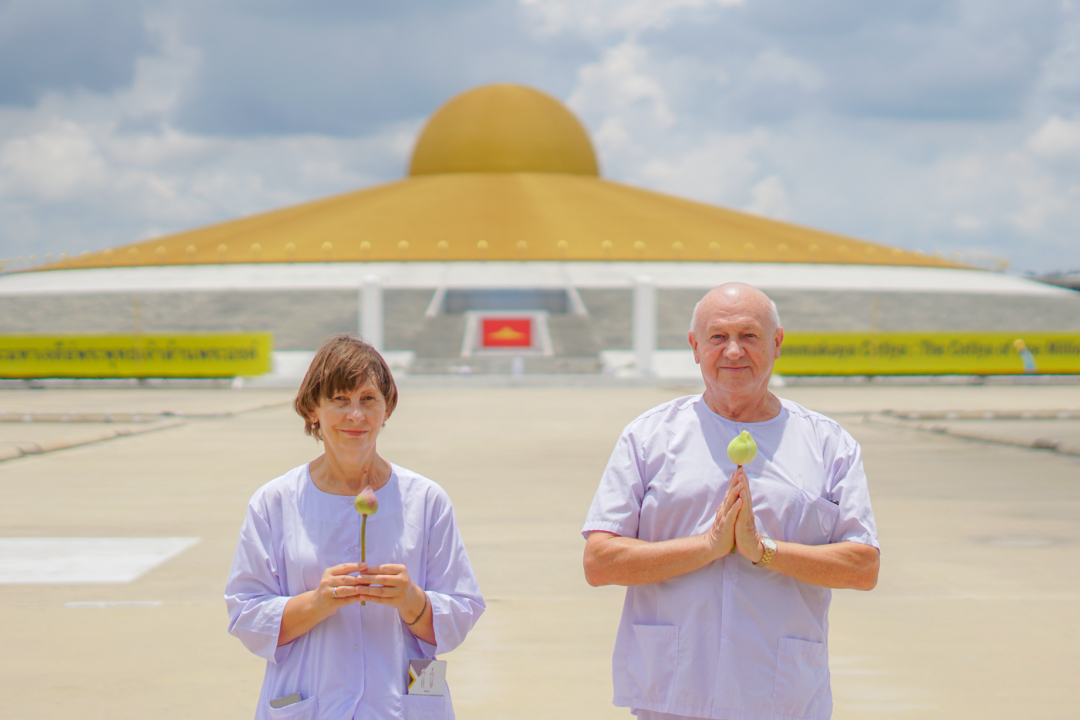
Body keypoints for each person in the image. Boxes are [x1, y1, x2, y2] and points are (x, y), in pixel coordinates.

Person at [582, 283, 879, 720]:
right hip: (673, 694)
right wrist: (708, 546)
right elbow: (599, 561)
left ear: (777, 344)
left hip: (781, 696)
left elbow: (863, 567)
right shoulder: (650, 437)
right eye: (718, 337)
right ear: (695, 347)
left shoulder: (827, 443)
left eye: (750, 336)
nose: (734, 351)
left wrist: (764, 551)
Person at [226, 334, 484, 719]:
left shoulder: (425, 500)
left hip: (406, 700)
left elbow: (463, 609)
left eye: (368, 400)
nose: (356, 415)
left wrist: (410, 599)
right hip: (310, 701)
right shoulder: (275, 502)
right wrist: (318, 602)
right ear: (313, 409)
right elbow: (245, 614)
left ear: (387, 408)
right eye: (340, 400)